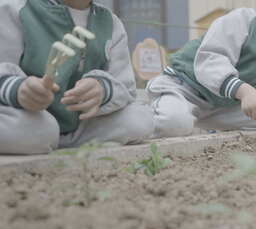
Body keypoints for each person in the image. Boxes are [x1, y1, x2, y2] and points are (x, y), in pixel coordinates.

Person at [0, 0, 153, 155]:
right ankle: (45, 141)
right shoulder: (16, 10)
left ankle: (52, 143)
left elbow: (125, 89)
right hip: (29, 119)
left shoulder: (110, 23)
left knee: (138, 119)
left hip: (80, 126)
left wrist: (103, 90)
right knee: (43, 130)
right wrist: (17, 89)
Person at [147, 0, 256, 137]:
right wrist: (244, 90)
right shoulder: (242, 20)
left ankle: (197, 124)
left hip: (219, 105)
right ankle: (152, 114)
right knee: (174, 123)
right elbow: (210, 61)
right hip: (184, 87)